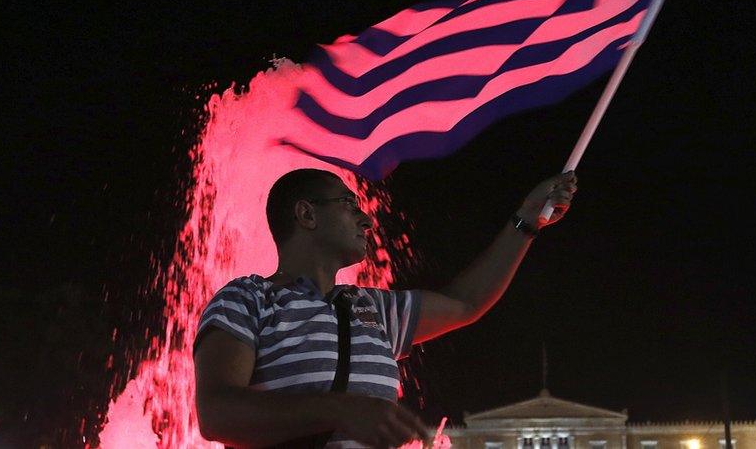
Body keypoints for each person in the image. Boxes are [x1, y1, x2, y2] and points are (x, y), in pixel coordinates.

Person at [194, 168, 578, 448]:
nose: (366, 218)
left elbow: (465, 303)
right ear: (306, 214)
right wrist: (340, 411)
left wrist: (526, 221)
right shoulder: (247, 299)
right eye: (349, 204)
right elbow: (217, 413)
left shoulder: (371, 308)